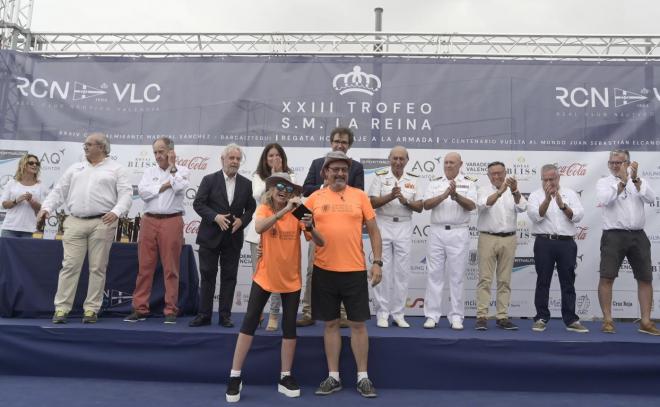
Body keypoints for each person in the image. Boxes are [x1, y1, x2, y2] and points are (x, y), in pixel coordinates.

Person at [225, 173, 325, 402]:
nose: (284, 190)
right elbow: (259, 228)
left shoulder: (300, 212)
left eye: (289, 188)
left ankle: (285, 376)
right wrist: (284, 211)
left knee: (289, 327)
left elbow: (320, 242)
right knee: (249, 322)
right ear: (271, 190)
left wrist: (312, 225)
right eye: (279, 186)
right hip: (265, 277)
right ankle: (235, 376)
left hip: (291, 280)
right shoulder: (265, 208)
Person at [305, 151, 382, 398]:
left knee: (358, 325)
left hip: (355, 270)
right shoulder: (314, 198)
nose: (339, 173)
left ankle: (363, 378)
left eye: (343, 170)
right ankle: (333, 377)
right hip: (324, 270)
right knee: (330, 324)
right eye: (334, 169)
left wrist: (378, 262)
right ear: (325, 173)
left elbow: (374, 230)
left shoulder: (360, 196)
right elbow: (294, 220)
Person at [38, 132, 132, 324]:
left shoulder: (116, 169)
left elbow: (126, 194)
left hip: (103, 222)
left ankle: (91, 310)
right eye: (85, 144)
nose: (85, 147)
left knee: (97, 267)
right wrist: (46, 208)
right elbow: (59, 191)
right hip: (74, 221)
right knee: (69, 266)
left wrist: (117, 211)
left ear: (102, 147)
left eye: (89, 144)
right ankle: (61, 309)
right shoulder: (75, 168)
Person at [298, 127, 365, 327]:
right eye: (337, 141)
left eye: (344, 142)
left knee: (346, 273)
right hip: (318, 229)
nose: (340, 145)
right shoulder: (317, 164)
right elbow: (305, 189)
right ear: (330, 142)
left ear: (350, 145)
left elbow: (359, 194)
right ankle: (309, 312)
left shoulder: (356, 167)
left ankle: (343, 314)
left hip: (347, 233)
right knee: (312, 270)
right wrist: (324, 188)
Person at [124, 137, 190, 324]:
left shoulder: (182, 170)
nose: (158, 155)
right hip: (149, 221)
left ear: (171, 151)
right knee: (144, 268)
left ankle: (170, 309)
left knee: (171, 269)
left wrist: (173, 168)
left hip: (172, 221)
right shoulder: (148, 171)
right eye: (155, 152)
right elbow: (143, 193)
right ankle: (140, 308)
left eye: (162, 151)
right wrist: (164, 185)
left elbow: (179, 187)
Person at [190, 143, 256, 328]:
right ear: (223, 160)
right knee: (207, 276)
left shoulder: (246, 184)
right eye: (231, 158)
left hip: (233, 239)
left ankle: (225, 316)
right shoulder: (209, 180)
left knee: (229, 277)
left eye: (237, 159)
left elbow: (251, 208)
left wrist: (242, 221)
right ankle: (204, 315)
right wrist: (215, 217)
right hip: (209, 237)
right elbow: (198, 204)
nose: (234, 162)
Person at [596, 150, 660, 335]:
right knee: (607, 277)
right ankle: (608, 320)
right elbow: (605, 199)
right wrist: (622, 182)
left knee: (645, 278)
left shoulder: (638, 179)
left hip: (638, 235)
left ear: (628, 163)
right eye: (612, 162)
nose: (615, 166)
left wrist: (635, 180)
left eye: (619, 162)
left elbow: (651, 198)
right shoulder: (604, 182)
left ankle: (646, 322)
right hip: (613, 235)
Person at [527, 164, 588, 333]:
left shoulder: (570, 193)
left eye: (551, 179)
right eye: (545, 179)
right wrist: (547, 199)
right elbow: (536, 216)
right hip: (544, 242)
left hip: (566, 243)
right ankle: (541, 317)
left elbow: (578, 216)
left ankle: (571, 320)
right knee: (543, 281)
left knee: (568, 282)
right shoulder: (535, 195)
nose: (548, 182)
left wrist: (562, 205)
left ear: (558, 178)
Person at [367, 146, 422, 328]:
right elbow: (372, 202)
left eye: (401, 159)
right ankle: (382, 313)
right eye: (395, 158)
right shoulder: (380, 176)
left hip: (404, 225)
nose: (398, 162)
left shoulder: (413, 179)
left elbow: (420, 206)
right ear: (389, 159)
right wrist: (391, 196)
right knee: (382, 269)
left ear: (407, 160)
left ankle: (398, 314)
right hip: (383, 223)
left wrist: (405, 200)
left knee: (402, 271)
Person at [422, 152, 477, 330]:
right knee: (434, 275)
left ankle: (456, 316)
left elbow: (472, 206)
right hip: (437, 232)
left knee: (457, 276)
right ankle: (432, 315)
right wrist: (444, 195)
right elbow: (426, 205)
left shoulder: (469, 182)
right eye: (446, 162)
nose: (448, 165)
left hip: (458, 232)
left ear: (460, 164)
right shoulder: (435, 182)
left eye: (452, 162)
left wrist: (456, 196)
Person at [244, 143, 296, 331]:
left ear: (283, 157)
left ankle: (274, 315)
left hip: (282, 232)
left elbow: (294, 197)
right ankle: (256, 314)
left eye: (277, 155)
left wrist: (280, 176)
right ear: (265, 159)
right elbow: (258, 194)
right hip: (259, 231)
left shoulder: (290, 176)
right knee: (259, 276)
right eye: (270, 156)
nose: (274, 158)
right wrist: (273, 176)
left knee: (277, 275)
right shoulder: (258, 176)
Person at [475, 161, 527, 331]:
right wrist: (499, 192)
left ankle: (502, 317)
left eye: (499, 173)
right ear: (488, 175)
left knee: (504, 280)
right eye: (493, 174)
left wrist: (515, 191)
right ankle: (482, 316)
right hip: (488, 238)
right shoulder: (482, 189)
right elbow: (483, 205)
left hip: (509, 238)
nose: (496, 176)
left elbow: (523, 207)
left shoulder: (512, 190)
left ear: (505, 173)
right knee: (485, 279)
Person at [1, 154, 45, 238]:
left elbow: (42, 208)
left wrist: (31, 201)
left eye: (37, 163)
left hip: (30, 230)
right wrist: (16, 201)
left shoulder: (40, 186)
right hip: (10, 229)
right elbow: (3, 204)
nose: (35, 165)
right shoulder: (12, 183)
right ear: (23, 165)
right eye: (31, 163)